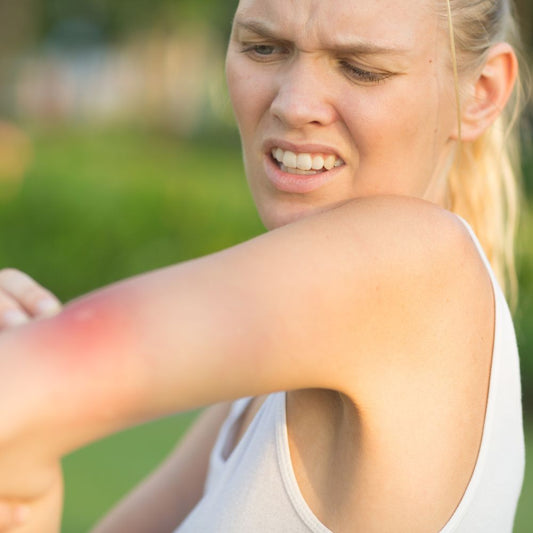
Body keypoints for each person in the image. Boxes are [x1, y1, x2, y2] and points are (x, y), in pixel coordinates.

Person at [0, 0, 527, 531]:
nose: (294, 104)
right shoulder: (266, 387)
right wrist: (27, 499)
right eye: (263, 48)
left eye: (362, 68)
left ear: (480, 93)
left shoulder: (416, 260)